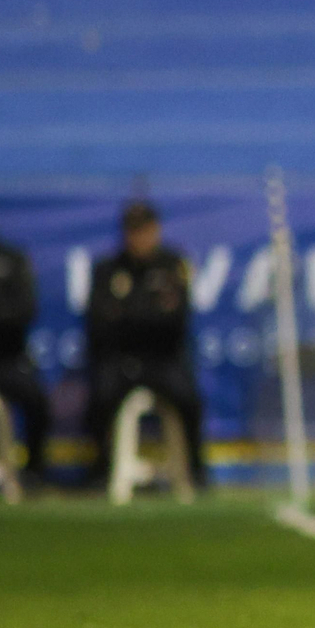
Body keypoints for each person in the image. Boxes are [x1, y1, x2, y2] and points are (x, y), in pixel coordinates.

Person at [85, 201, 206, 488]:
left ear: (155, 230)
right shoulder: (108, 269)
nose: (138, 239)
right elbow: (98, 323)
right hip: (121, 359)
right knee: (100, 398)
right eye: (132, 231)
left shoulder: (172, 265)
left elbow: (175, 321)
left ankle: (195, 469)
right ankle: (102, 468)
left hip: (163, 359)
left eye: (144, 231)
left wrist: (126, 314)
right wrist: (147, 314)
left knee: (189, 400)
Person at [0, 233, 49, 483]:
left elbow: (25, 309)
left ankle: (34, 472)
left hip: (7, 357)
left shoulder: (12, 259)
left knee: (36, 399)